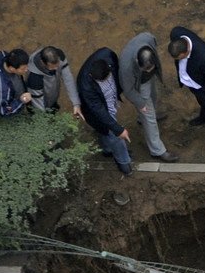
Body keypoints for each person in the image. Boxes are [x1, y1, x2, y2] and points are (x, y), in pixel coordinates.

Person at [167, 25, 205, 156]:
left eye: (179, 58)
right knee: (202, 102)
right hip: (193, 83)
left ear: (185, 52)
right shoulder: (176, 33)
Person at [119, 32, 178, 162]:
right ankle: (157, 150)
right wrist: (141, 103)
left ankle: (143, 118)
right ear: (137, 62)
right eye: (145, 68)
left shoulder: (148, 39)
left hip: (147, 80)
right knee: (148, 115)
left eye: (151, 67)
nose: (149, 70)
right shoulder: (126, 68)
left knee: (154, 95)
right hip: (138, 85)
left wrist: (149, 73)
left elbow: (153, 38)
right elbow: (128, 90)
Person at [78, 48, 133, 176]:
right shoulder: (86, 86)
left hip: (110, 101)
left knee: (105, 131)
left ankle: (107, 150)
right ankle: (123, 162)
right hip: (98, 111)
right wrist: (118, 129)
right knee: (113, 133)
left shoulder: (108, 55)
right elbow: (99, 111)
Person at [26, 46, 83, 118]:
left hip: (52, 97)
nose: (56, 69)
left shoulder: (60, 56)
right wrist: (43, 123)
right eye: (52, 67)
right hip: (38, 102)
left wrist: (76, 104)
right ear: (43, 63)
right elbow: (38, 107)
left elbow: (68, 79)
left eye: (57, 65)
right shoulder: (34, 78)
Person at [0, 48, 34, 119]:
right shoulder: (3, 89)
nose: (26, 69)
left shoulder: (0, 55)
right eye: (23, 68)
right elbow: (4, 110)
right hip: (11, 104)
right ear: (12, 69)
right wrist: (21, 100)